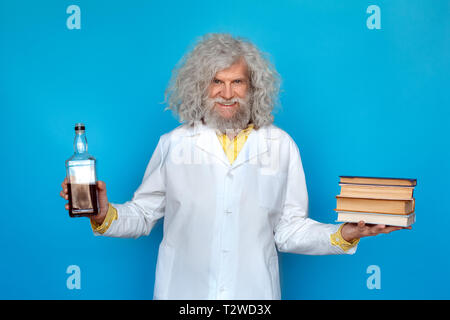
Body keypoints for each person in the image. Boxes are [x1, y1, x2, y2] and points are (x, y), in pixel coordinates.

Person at [60, 33, 409, 300]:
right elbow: (143, 214)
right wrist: (103, 213)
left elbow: (289, 230)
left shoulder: (281, 145)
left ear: (253, 88)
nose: (227, 93)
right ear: (201, 86)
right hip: (184, 293)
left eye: (237, 82)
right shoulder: (175, 143)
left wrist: (342, 234)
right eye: (217, 81)